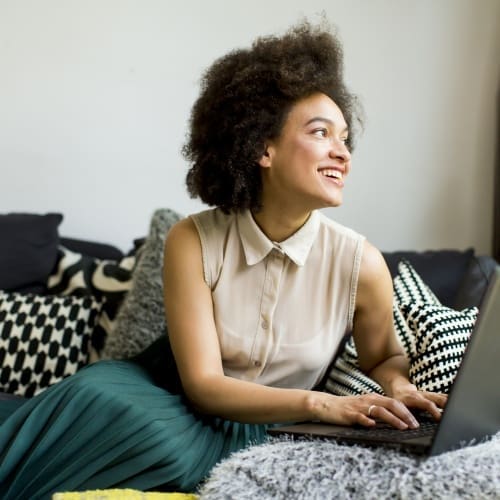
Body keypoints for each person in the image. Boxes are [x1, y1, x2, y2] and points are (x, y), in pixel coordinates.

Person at [0, 20, 446, 499]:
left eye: (345, 139)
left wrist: (397, 386)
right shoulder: (191, 239)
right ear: (261, 148)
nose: (343, 153)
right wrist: (323, 405)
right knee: (104, 405)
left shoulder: (362, 263)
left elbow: (383, 356)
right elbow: (205, 385)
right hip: (164, 397)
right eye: (321, 133)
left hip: (262, 426)